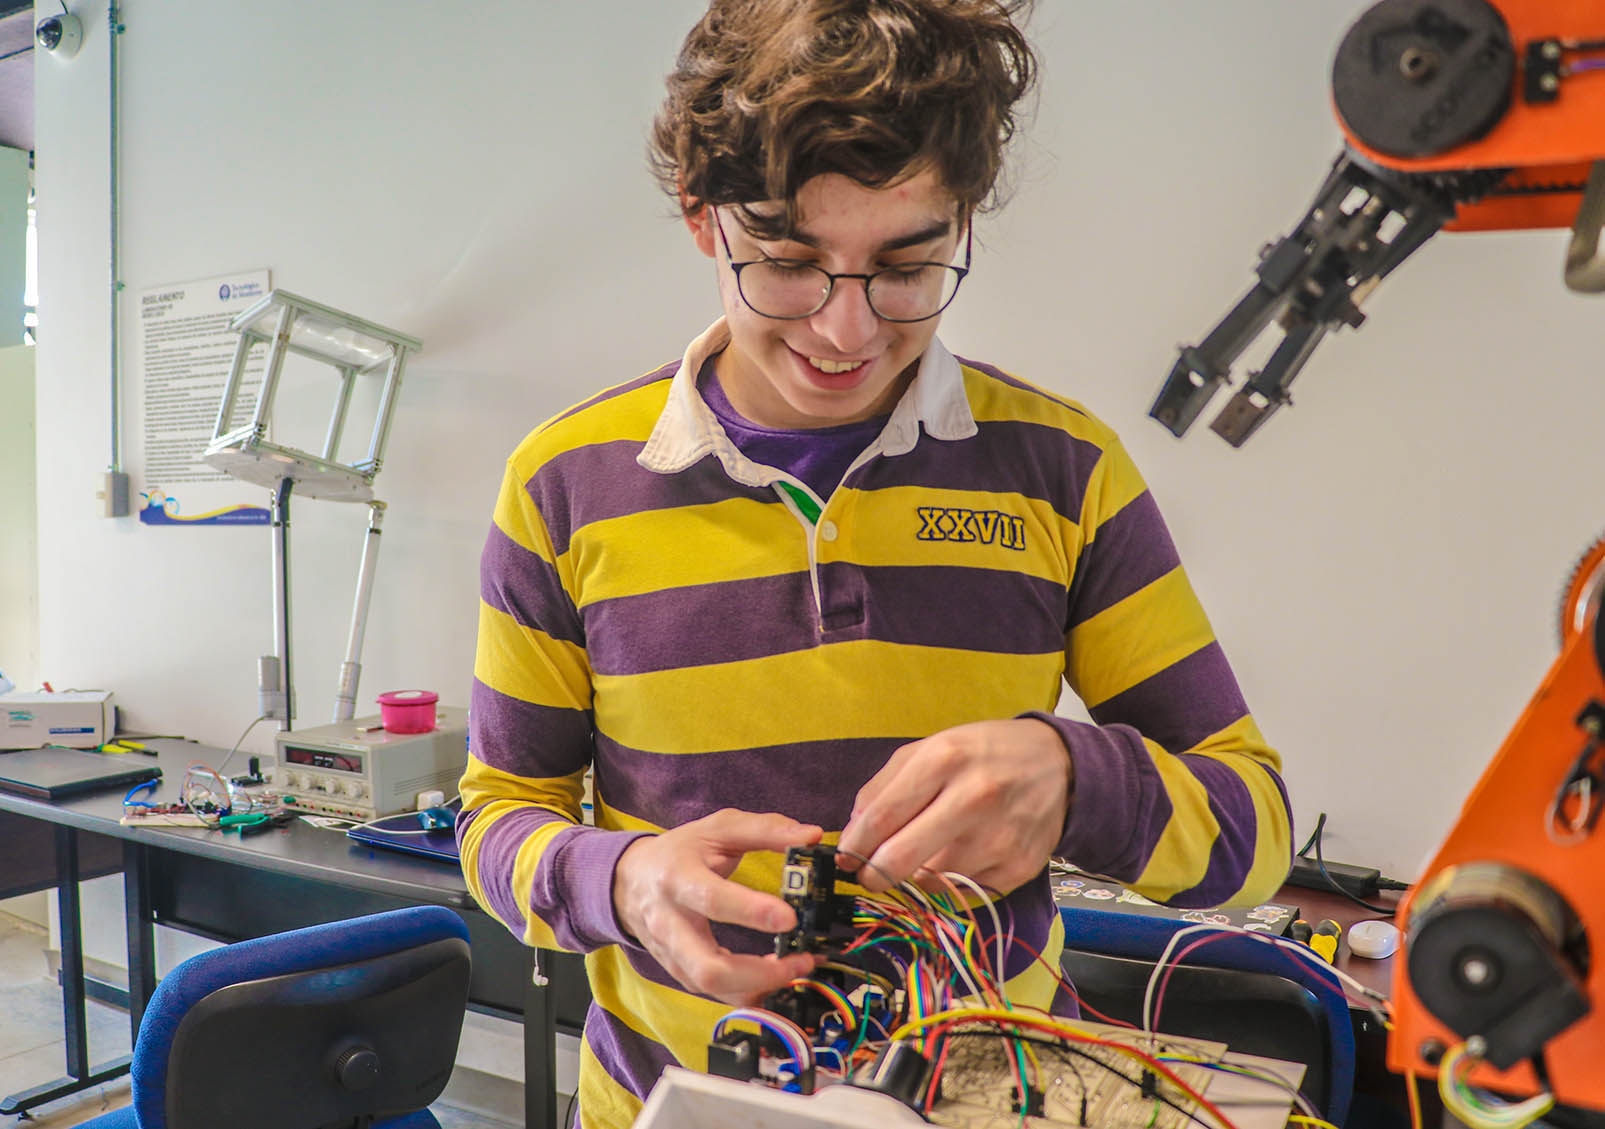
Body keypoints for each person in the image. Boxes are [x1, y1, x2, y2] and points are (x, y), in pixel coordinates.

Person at [457, 2, 1292, 1125]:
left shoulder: (1064, 471)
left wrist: (1075, 779)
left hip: (982, 1104)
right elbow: (498, 815)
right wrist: (617, 881)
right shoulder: (563, 484)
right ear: (706, 221)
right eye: (791, 264)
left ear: (963, 225)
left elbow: (1256, 830)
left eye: (906, 266)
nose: (846, 332)